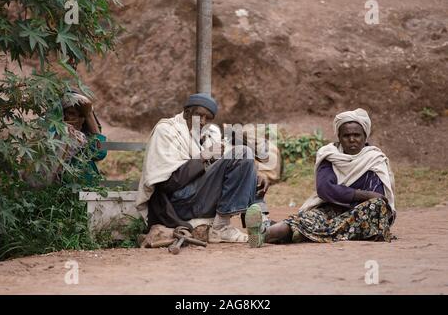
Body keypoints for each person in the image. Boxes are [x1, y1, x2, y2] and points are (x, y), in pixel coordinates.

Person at [245, 108, 396, 248]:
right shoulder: (329, 155)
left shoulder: (375, 159)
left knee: (375, 206)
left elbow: (379, 198)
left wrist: (348, 196)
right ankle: (263, 235)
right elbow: (325, 190)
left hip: (360, 214)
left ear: (365, 136)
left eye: (356, 135)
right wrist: (362, 194)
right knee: (302, 221)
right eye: (346, 135)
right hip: (328, 210)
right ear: (339, 137)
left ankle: (300, 233)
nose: (351, 139)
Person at [136, 93, 266, 243]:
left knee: (246, 158)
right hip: (177, 203)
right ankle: (222, 227)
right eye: (199, 115)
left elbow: (232, 166)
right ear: (187, 113)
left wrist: (255, 175)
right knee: (242, 153)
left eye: (208, 118)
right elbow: (168, 184)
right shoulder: (166, 130)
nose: (203, 122)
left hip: (199, 198)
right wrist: (203, 156)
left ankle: (263, 221)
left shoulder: (210, 133)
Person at [58, 91, 107, 182]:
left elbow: (101, 153)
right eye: (71, 113)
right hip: (63, 190)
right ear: (61, 114)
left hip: (88, 192)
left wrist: (88, 114)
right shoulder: (55, 137)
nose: (76, 119)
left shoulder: (85, 139)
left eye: (82, 115)